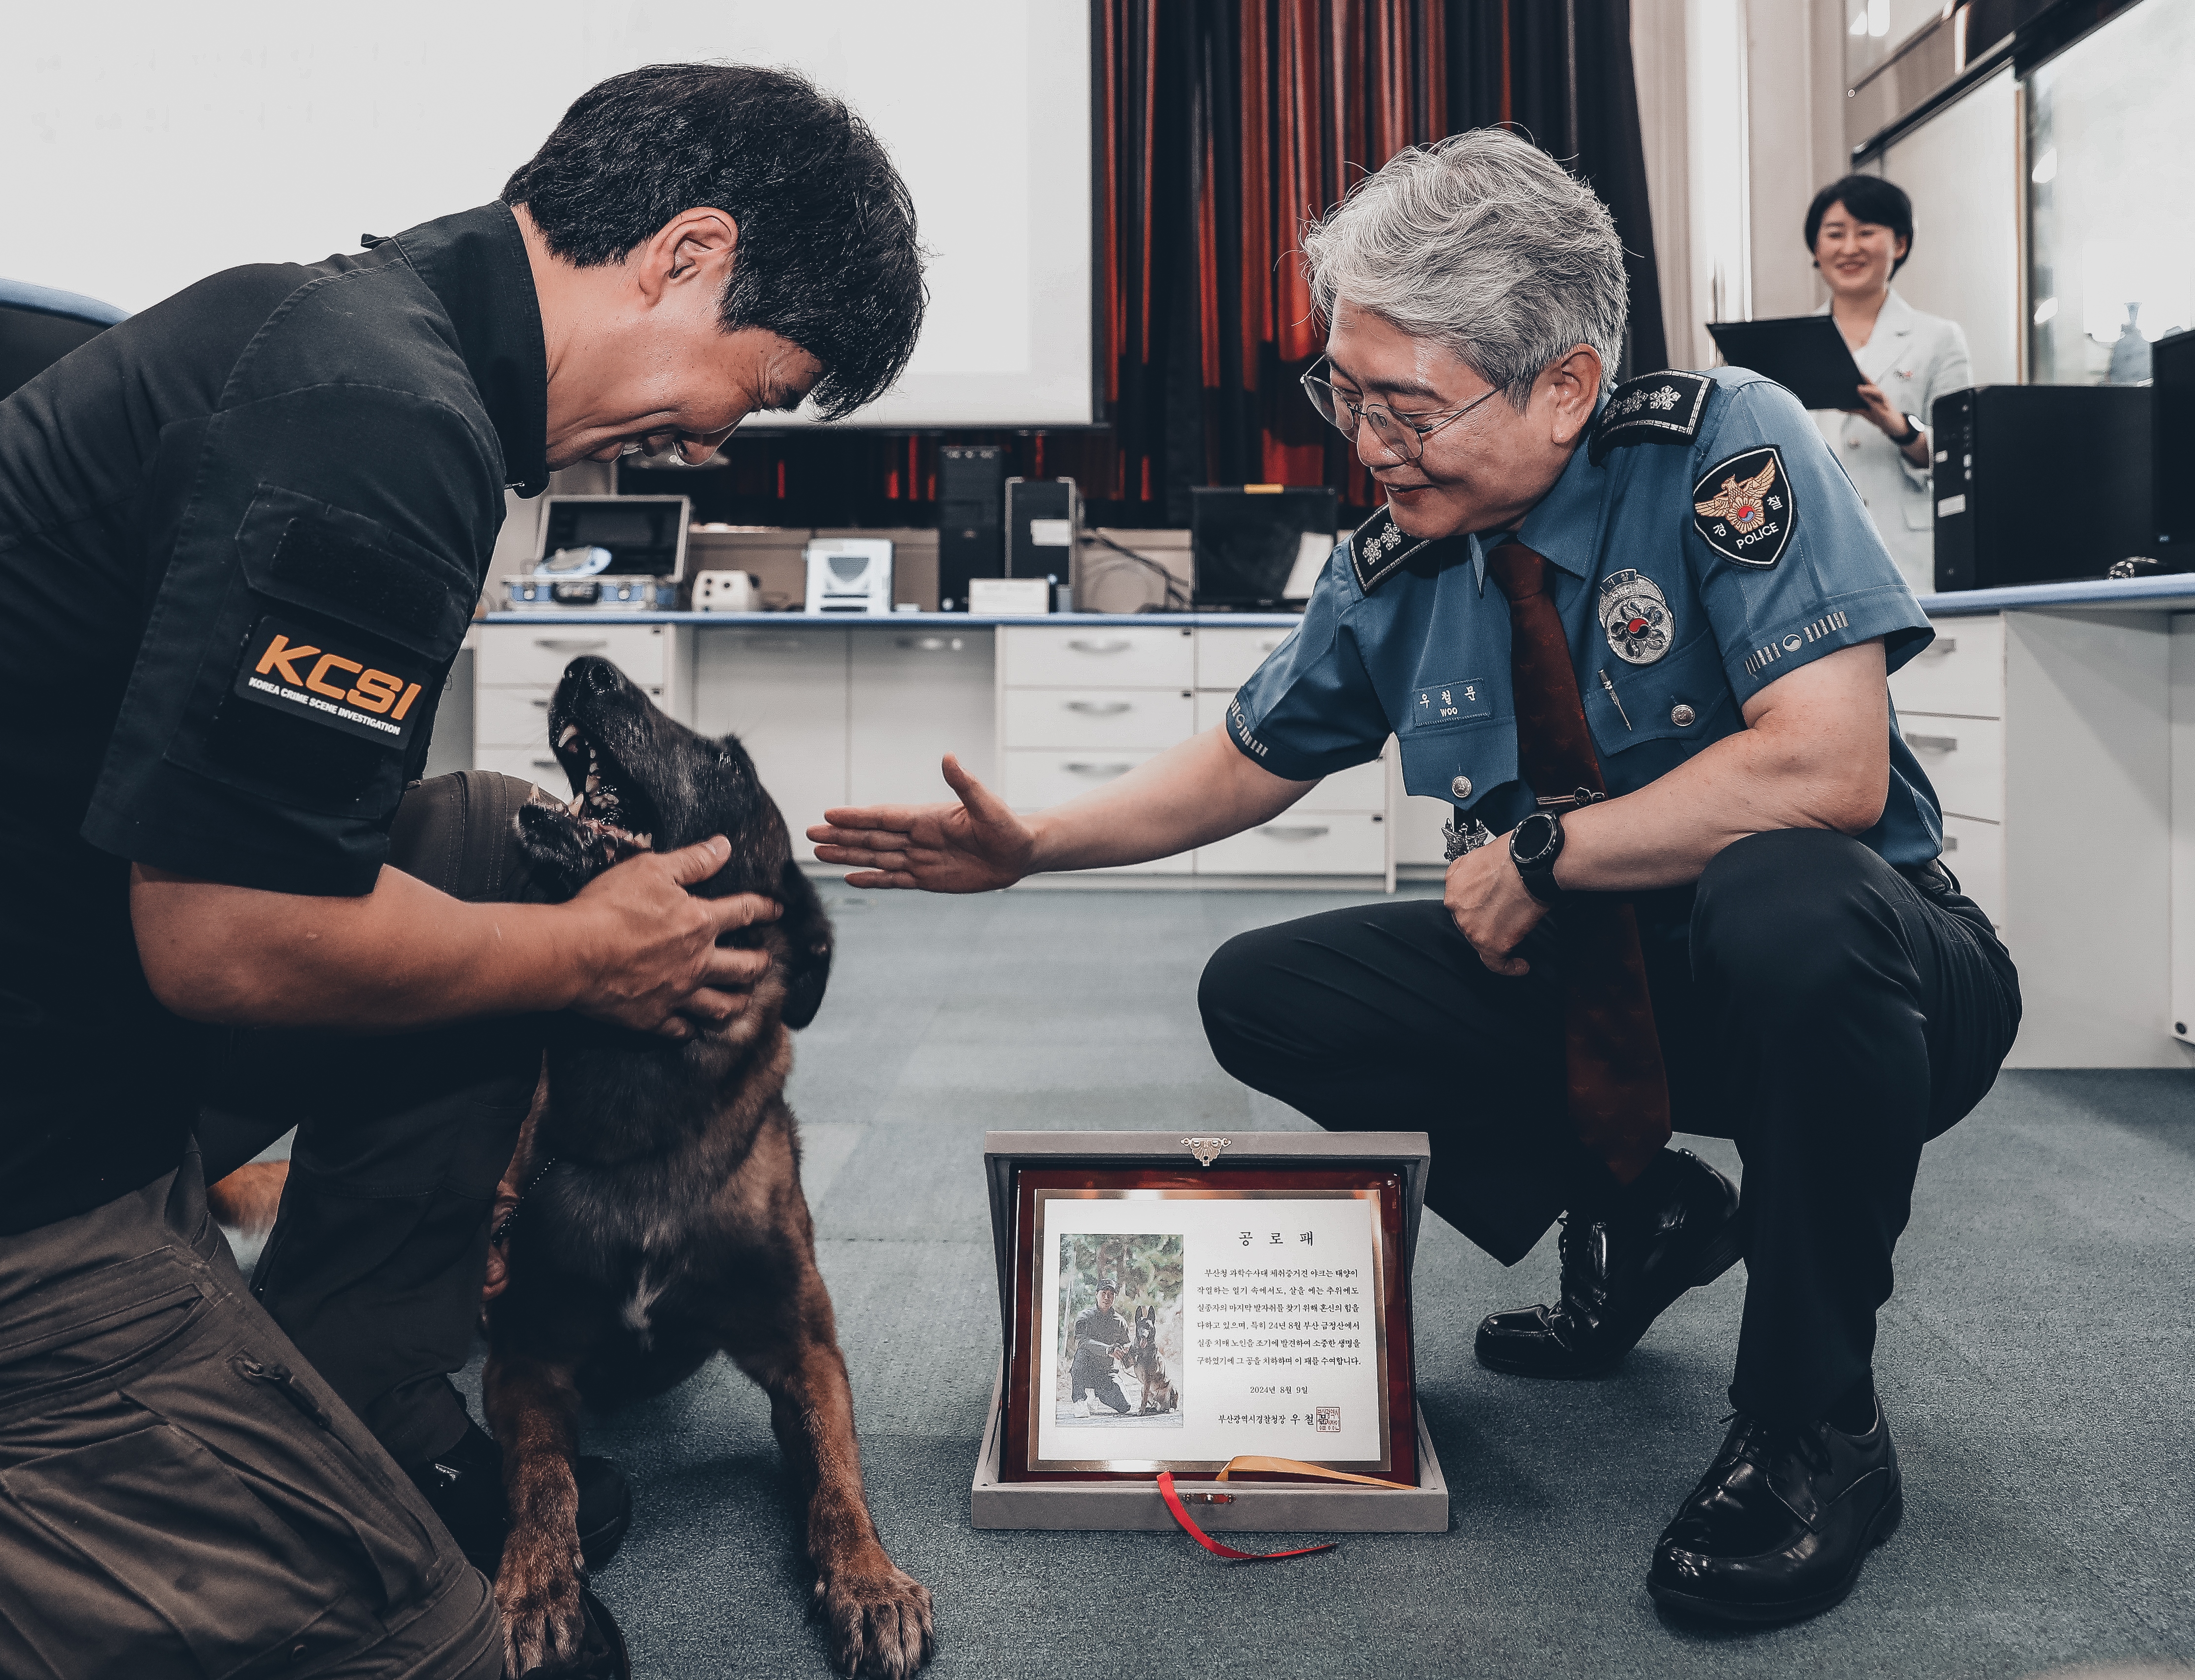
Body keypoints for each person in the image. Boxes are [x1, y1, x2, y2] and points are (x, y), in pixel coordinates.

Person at [0, 63, 925, 1678]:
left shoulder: (343, 338)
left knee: (490, 846)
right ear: (684, 255)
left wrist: (559, 917)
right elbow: (231, 938)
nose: (717, 435)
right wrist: (594, 959)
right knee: (475, 1661)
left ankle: (331, 1403)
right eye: (757, 385)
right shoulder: (387, 430)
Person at [812, 129, 2018, 1625]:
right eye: (1343, 390)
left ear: (1563, 385)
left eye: (1404, 403)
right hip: (1618, 989)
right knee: (1267, 992)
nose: (1363, 439)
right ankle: (1639, 1209)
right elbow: (1245, 761)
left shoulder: (1726, 445)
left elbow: (1823, 772)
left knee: (1785, 896)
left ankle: (1812, 1425)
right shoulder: (1394, 560)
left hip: (1877, 980)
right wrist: (1032, 845)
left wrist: (1546, 851)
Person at [1804, 173, 1970, 593]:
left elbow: (1964, 456)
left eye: (1867, 232)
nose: (1849, 248)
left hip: (1907, 556)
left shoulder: (1938, 338)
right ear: (1816, 249)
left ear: (1900, 243)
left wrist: (1899, 427)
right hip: (1812, 552)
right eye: (1835, 234)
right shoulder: (1791, 342)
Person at [1068, 1285, 1135, 1416]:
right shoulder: (1085, 1316)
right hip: (1086, 1371)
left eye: (1111, 1294)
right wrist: (1109, 1350)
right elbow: (1082, 1341)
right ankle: (1080, 1400)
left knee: (1125, 1406)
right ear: (1096, 1294)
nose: (1107, 1297)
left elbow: (1126, 1343)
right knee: (1081, 1354)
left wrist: (1126, 1350)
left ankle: (1094, 1394)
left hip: (1106, 1373)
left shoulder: (1120, 1322)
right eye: (1104, 1293)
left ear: (1115, 1296)